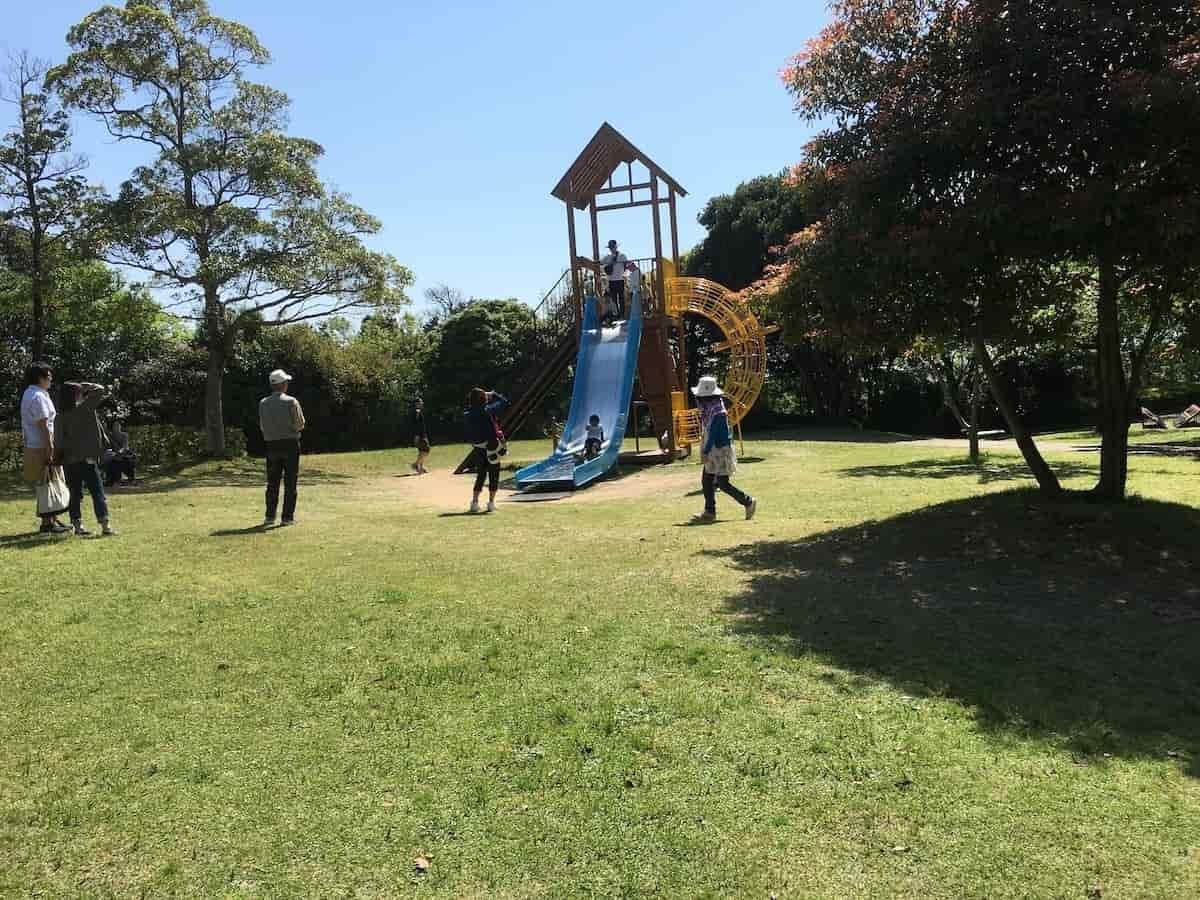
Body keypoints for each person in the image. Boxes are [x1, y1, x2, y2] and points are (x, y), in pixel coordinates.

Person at [691, 376, 757, 523]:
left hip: (719, 450)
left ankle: (748, 501)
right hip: (714, 449)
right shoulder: (711, 407)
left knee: (722, 483)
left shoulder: (718, 411)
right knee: (707, 480)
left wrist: (706, 451)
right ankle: (710, 512)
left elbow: (714, 434)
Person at [56, 381, 116, 536]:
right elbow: (101, 389)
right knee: (97, 493)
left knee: (75, 495)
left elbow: (59, 442)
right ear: (76, 394)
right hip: (88, 459)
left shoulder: (60, 416)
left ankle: (78, 526)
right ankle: (105, 526)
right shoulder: (85, 408)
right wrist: (86, 385)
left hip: (70, 461)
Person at [20, 362, 69, 534]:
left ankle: (53, 519)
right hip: (42, 446)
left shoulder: (30, 393)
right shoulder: (38, 397)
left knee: (50, 483)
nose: (51, 379)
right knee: (48, 485)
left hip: (34, 445)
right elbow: (44, 426)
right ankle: (48, 523)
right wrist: (50, 450)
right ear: (39, 378)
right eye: (48, 376)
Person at [259, 369, 306, 528]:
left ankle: (269, 516)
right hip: (290, 444)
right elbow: (300, 424)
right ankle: (287, 517)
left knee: (272, 482)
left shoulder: (263, 403)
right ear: (283, 384)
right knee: (290, 481)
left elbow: (263, 426)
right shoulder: (291, 401)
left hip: (271, 445)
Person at [464, 387, 508, 514]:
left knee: (481, 475)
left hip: (478, 448)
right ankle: (491, 503)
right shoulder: (488, 410)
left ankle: (474, 502)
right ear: (483, 398)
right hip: (491, 447)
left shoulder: (467, 414)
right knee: (494, 474)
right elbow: (505, 402)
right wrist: (494, 394)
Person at [599, 239, 630, 322]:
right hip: (611, 281)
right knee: (613, 299)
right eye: (610, 247)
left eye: (612, 247)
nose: (611, 248)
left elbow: (627, 265)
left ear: (616, 247)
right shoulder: (608, 257)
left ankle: (622, 315)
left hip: (620, 280)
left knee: (621, 298)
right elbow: (600, 262)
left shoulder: (622, 256)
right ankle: (616, 315)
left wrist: (626, 273)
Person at [102, 420, 137, 486]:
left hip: (124, 454)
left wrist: (120, 452)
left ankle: (129, 478)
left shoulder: (124, 435)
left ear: (120, 426)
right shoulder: (111, 435)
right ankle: (112, 479)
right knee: (110, 461)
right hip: (115, 455)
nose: (116, 427)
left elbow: (125, 447)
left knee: (122, 460)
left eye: (118, 425)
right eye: (115, 426)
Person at [410, 398, 431, 475]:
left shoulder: (419, 411)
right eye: (421, 402)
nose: (422, 403)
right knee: (426, 450)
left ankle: (420, 467)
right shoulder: (417, 412)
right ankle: (415, 464)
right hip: (420, 435)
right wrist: (417, 436)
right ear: (417, 404)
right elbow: (416, 425)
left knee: (422, 451)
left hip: (422, 434)